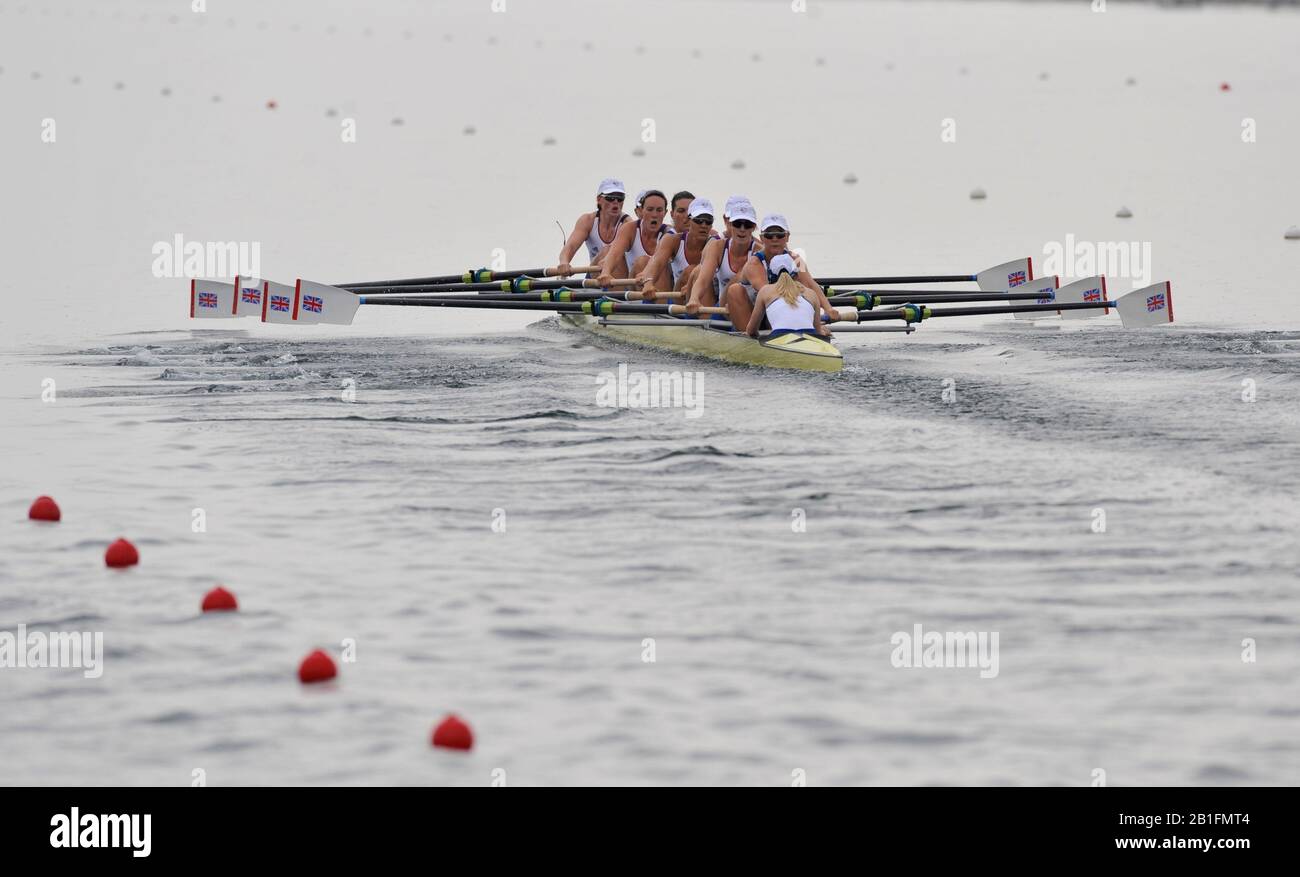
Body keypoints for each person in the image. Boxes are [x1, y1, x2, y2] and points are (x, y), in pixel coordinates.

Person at [728, 213, 839, 332]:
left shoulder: (796, 259)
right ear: (761, 238)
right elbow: (769, 294)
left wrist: (828, 309)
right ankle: (747, 337)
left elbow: (810, 284)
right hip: (753, 316)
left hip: (779, 311)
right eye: (769, 235)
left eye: (779, 235)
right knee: (735, 290)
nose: (774, 239)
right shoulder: (754, 263)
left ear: (787, 237)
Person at [686, 197, 758, 313]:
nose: (742, 229)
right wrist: (694, 298)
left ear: (754, 227)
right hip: (723, 308)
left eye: (748, 225)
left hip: (751, 309)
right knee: (697, 271)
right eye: (737, 224)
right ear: (729, 223)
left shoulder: (760, 250)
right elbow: (703, 280)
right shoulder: (716, 246)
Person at [639, 197, 717, 299]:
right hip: (678, 299)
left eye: (708, 221)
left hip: (703, 300)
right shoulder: (672, 240)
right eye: (699, 220)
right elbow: (657, 262)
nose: (704, 225)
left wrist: (692, 288)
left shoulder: (715, 244)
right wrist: (648, 282)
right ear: (689, 220)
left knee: (694, 271)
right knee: (643, 261)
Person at [746, 253, 835, 339]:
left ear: (770, 275)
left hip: (779, 338)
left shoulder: (765, 291)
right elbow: (818, 331)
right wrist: (824, 333)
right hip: (810, 336)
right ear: (796, 275)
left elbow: (751, 331)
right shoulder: (811, 293)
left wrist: (760, 338)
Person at [597, 189, 674, 284]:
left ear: (665, 213)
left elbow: (657, 262)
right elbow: (615, 254)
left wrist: (647, 272)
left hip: (660, 287)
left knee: (643, 262)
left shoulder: (670, 234)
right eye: (650, 210)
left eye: (659, 210)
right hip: (635, 284)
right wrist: (606, 272)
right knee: (608, 251)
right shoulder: (629, 229)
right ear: (641, 211)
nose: (654, 215)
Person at [556, 178, 628, 276]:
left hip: (620, 278)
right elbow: (571, 246)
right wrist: (564, 262)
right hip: (595, 274)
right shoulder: (587, 221)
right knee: (606, 251)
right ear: (599, 200)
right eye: (610, 198)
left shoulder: (627, 224)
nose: (615, 202)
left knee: (608, 251)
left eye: (620, 198)